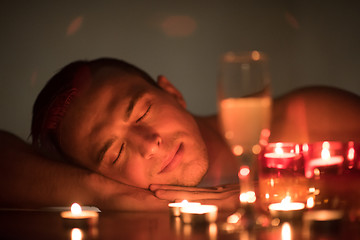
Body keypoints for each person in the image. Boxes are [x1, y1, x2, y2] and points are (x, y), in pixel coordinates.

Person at [1, 57, 360, 211]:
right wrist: (101, 194)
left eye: (141, 111)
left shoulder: (304, 118)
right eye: (115, 154)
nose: (148, 144)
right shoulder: (119, 195)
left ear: (171, 92)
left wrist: (271, 193)